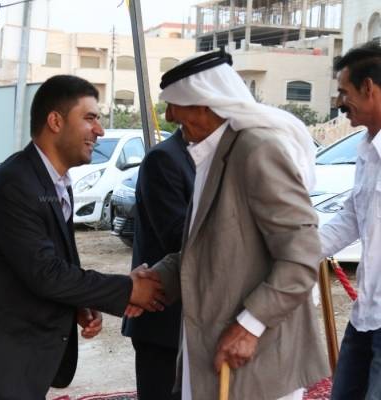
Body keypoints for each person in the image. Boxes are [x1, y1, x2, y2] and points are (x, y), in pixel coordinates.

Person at [0, 75, 165, 400]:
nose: (100, 131)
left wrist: (78, 303)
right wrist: (129, 289)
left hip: (8, 357)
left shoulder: (53, 182)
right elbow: (45, 274)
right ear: (55, 121)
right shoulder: (16, 184)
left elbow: (48, 263)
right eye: (90, 118)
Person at [134, 49, 329, 399]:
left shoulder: (257, 149)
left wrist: (250, 325)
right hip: (217, 351)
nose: (169, 116)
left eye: (175, 106)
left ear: (204, 104)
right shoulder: (215, 152)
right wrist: (157, 279)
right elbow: (209, 247)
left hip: (259, 362)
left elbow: (301, 256)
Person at [319, 41, 381, 400]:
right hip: (365, 316)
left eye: (345, 92)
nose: (340, 103)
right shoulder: (366, 149)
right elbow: (352, 218)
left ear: (368, 87)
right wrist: (293, 252)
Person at [121, 126, 195, 399]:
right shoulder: (164, 159)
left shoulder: (215, 159)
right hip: (165, 323)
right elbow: (179, 237)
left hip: (196, 324)